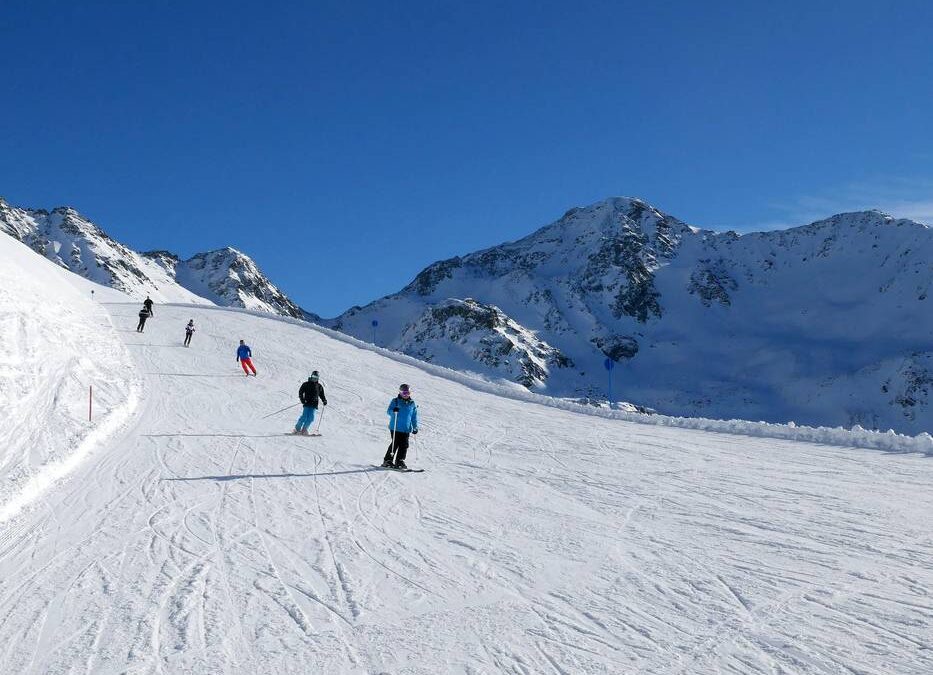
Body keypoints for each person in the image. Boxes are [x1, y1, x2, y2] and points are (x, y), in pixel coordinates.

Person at [382, 383, 419, 469]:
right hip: (395, 427)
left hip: (406, 429)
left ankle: (400, 461)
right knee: (395, 444)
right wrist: (393, 411)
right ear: (400, 393)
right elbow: (389, 411)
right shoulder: (395, 401)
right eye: (404, 393)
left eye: (408, 393)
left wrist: (415, 427)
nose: (406, 395)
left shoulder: (412, 403)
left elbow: (414, 417)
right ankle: (388, 460)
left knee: (404, 445)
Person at [293, 371, 327, 435]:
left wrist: (324, 400)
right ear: (311, 376)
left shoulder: (319, 386)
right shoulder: (306, 384)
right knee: (304, 416)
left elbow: (322, 394)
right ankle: (297, 429)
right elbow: (301, 392)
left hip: (314, 404)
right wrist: (302, 400)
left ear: (318, 378)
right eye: (313, 377)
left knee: (311, 418)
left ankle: (304, 430)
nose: (314, 379)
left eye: (316, 378)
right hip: (307, 403)